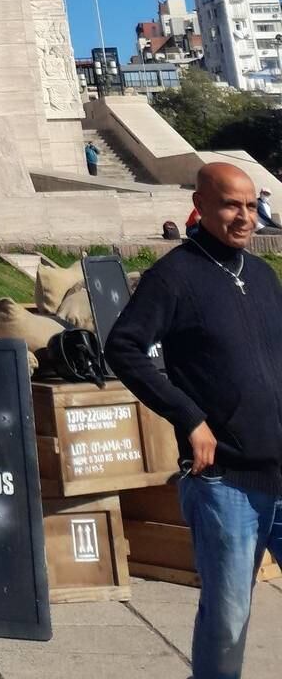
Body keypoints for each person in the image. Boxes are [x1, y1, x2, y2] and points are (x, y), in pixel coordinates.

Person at [105, 162, 282, 679]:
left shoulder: (264, 275)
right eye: (231, 205)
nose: (244, 217)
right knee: (228, 619)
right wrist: (189, 416)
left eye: (251, 206)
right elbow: (124, 346)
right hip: (226, 482)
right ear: (200, 207)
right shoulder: (175, 276)